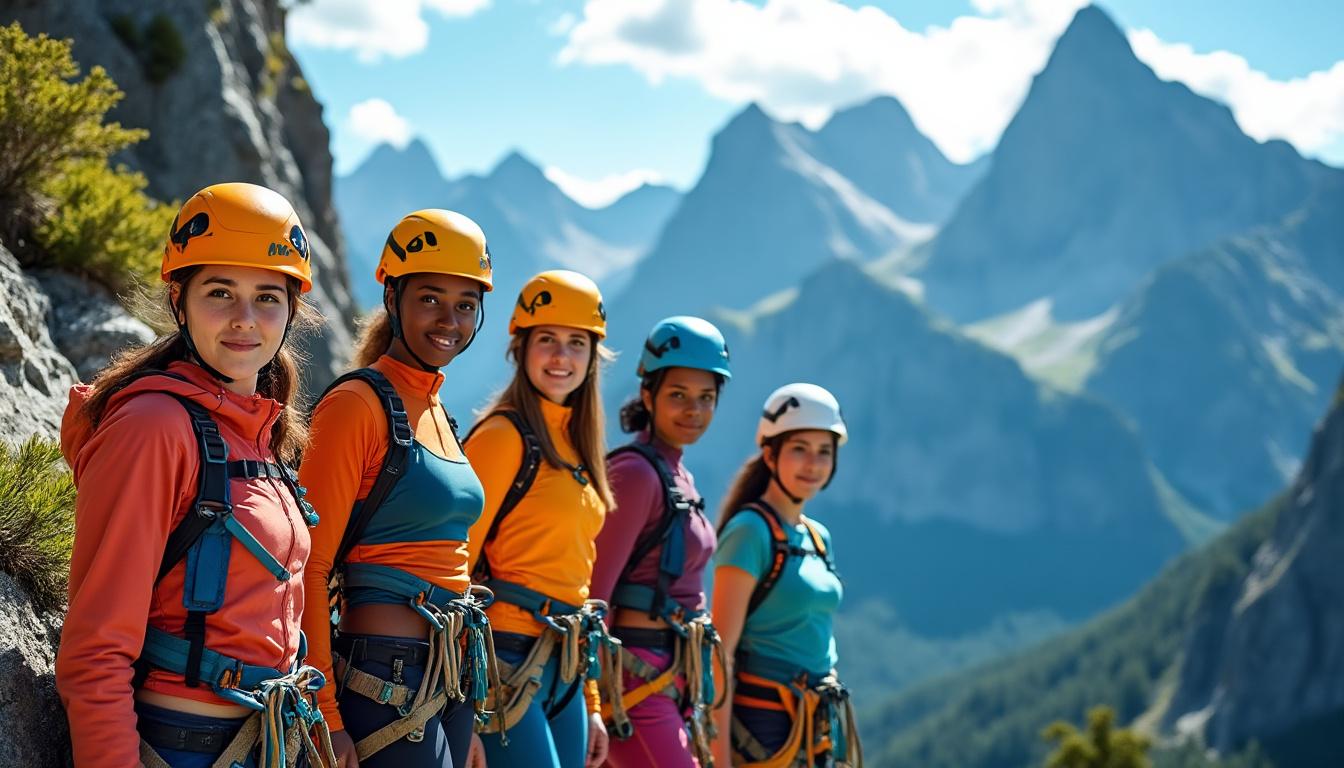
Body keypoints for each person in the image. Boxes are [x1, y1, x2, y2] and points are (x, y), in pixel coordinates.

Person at [56, 182, 336, 767]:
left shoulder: (261, 429)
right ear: (178, 301)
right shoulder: (154, 427)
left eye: (267, 297)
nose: (244, 319)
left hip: (272, 741)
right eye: (220, 292)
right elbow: (95, 649)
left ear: (291, 311)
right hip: (185, 746)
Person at [299, 209, 499, 768]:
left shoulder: (437, 412)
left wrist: (467, 719)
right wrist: (326, 714)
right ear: (394, 297)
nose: (449, 320)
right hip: (386, 678)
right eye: (430, 298)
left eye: (466, 304)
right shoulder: (355, 406)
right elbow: (310, 568)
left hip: (448, 678)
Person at [463, 270, 617, 768]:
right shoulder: (503, 437)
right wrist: (460, 708)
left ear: (593, 357)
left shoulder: (579, 448)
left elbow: (578, 580)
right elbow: (455, 569)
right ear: (521, 348)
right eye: (546, 339)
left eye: (577, 343)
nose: (561, 357)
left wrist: (592, 703)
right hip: (504, 656)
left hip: (566, 661)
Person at [590, 316, 732, 767]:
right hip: (634, 681)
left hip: (669, 677)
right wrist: (593, 698)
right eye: (678, 395)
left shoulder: (676, 473)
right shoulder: (635, 474)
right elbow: (596, 593)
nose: (694, 410)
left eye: (706, 398)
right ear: (647, 395)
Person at [710, 384, 863, 767]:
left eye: (824, 452)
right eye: (800, 449)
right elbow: (720, 654)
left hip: (816, 718)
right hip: (764, 722)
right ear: (770, 454)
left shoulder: (817, 536)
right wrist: (719, 755)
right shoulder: (750, 531)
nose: (813, 464)